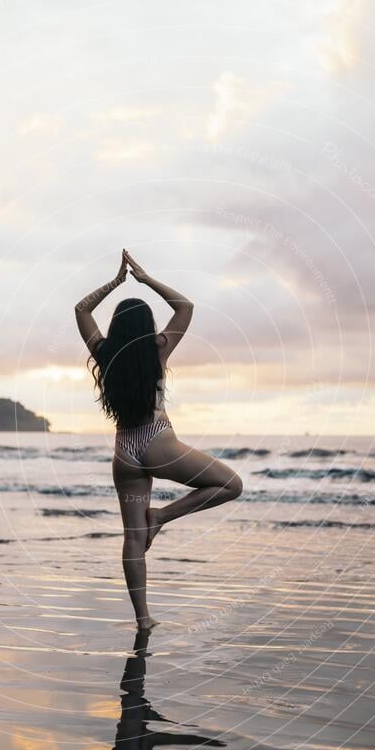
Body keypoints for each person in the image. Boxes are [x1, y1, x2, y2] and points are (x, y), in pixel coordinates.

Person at [75, 249, 243, 629]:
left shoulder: (104, 353)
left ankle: (143, 619)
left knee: (133, 539)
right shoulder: (157, 348)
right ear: (147, 325)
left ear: (116, 327)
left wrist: (114, 283)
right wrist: (144, 278)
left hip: (124, 452)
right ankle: (163, 517)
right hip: (157, 442)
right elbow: (184, 306)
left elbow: (81, 311)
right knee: (231, 484)